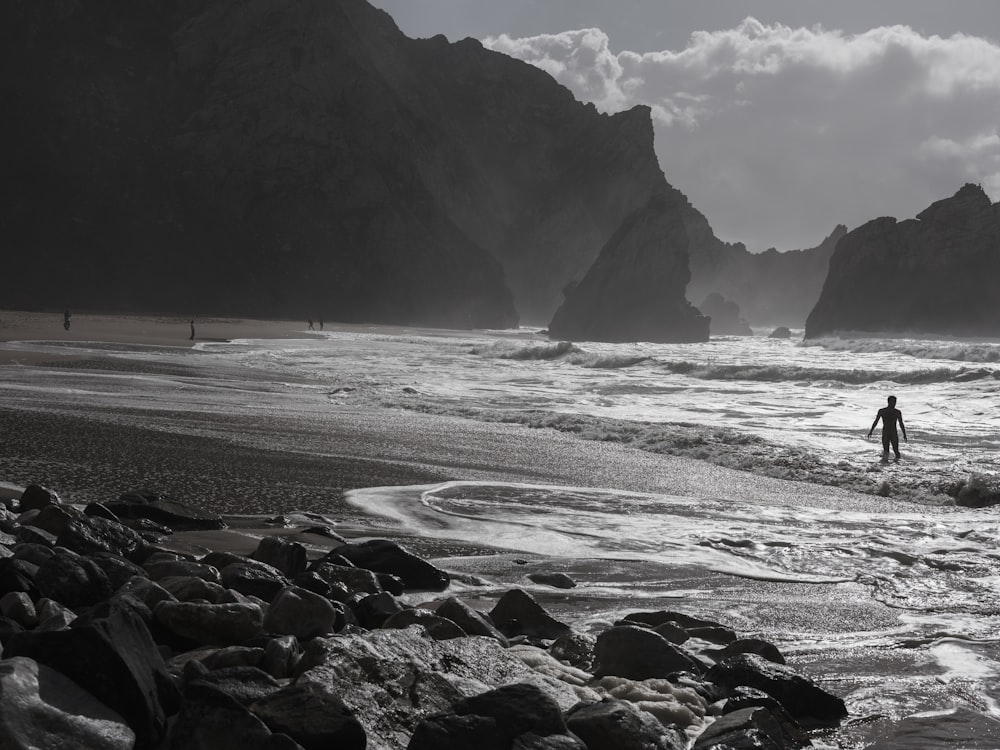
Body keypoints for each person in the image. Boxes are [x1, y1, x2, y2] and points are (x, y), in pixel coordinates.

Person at [868, 395, 907, 459]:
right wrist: (871, 431)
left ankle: (898, 465)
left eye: (895, 402)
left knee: (896, 451)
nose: (894, 404)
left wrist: (904, 434)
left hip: (893, 433)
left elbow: (901, 423)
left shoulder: (897, 412)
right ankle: (886, 466)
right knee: (886, 451)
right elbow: (876, 421)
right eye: (893, 402)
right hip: (886, 433)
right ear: (889, 402)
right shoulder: (882, 411)